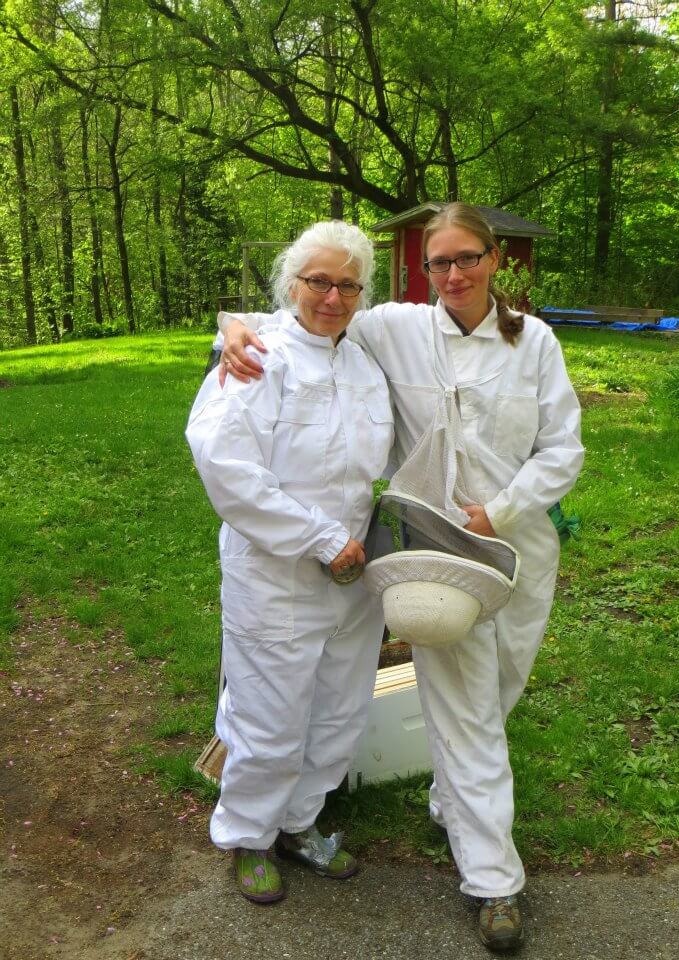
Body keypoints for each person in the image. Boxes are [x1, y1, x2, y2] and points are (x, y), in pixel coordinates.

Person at [217, 203, 584, 951]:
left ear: (494, 259)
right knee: (468, 715)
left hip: (519, 552)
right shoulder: (399, 327)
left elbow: (564, 450)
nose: (453, 275)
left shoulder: (533, 342)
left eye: (468, 259)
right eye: (439, 263)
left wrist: (504, 509)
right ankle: (493, 882)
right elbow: (305, 302)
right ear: (424, 271)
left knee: (498, 694)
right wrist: (227, 327)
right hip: (437, 557)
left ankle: (454, 803)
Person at [186, 221, 394, 904]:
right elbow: (226, 465)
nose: (332, 296)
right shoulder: (256, 357)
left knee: (338, 712)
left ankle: (301, 825)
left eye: (347, 284)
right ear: (291, 284)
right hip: (275, 573)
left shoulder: (363, 363)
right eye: (318, 281)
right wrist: (318, 539)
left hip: (352, 574)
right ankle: (248, 836)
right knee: (269, 717)